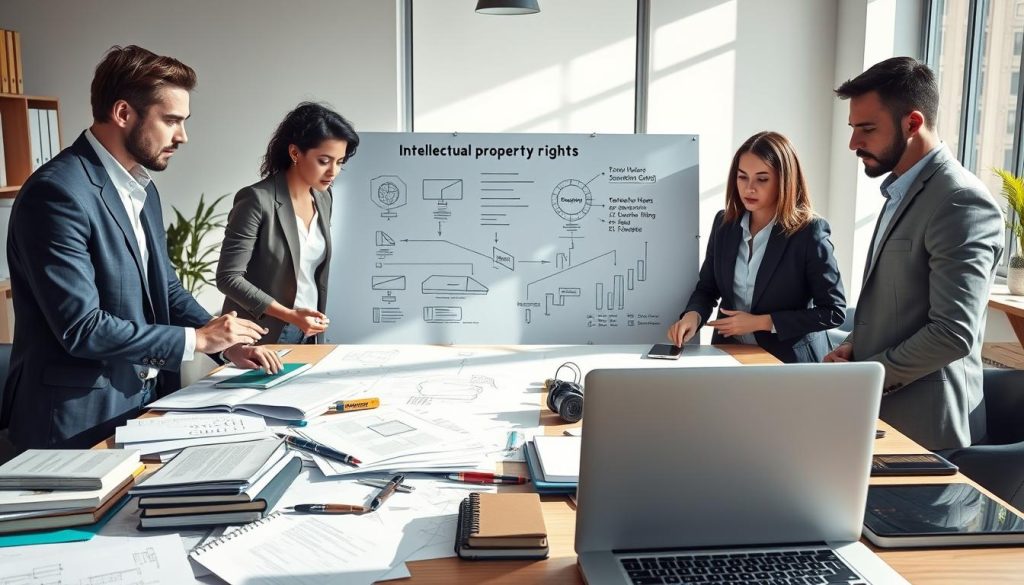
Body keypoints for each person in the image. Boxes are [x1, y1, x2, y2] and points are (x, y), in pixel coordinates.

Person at [0, 45, 281, 450]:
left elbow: (163, 287)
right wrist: (197, 341)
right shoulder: (57, 193)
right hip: (74, 420)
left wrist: (227, 344)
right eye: (171, 120)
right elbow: (82, 328)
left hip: (144, 402)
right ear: (123, 113)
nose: (182, 136)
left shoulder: (141, 188)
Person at [824, 57, 1003, 451]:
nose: (854, 143)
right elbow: (897, 306)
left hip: (931, 432)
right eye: (853, 129)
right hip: (884, 418)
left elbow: (953, 332)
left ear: (913, 123)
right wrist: (856, 343)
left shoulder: (961, 201)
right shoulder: (901, 191)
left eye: (867, 129)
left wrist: (868, 375)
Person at [667, 131, 846, 363]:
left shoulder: (808, 232)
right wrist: (692, 316)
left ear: (784, 181)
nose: (749, 188)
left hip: (788, 363)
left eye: (762, 179)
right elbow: (707, 289)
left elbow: (833, 311)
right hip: (730, 356)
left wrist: (763, 322)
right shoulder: (724, 224)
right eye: (742, 177)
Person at [217, 102, 358, 344]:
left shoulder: (324, 197)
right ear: (295, 153)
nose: (333, 171)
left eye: (340, 162)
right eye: (324, 161)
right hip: (262, 333)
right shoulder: (256, 200)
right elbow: (229, 278)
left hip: (309, 330)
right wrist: (290, 315)